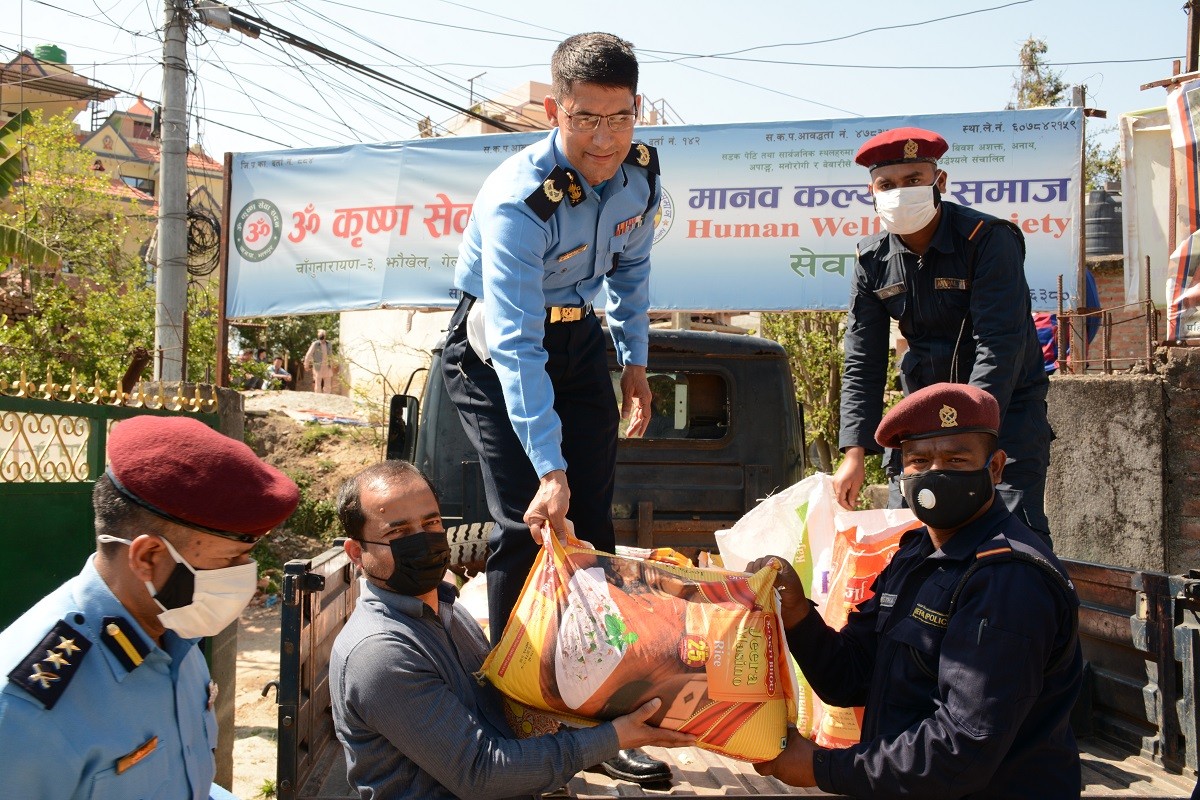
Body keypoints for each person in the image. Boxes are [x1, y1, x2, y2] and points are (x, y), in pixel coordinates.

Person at [441, 31, 667, 784]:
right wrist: (547, 466)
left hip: (579, 350)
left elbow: (630, 271)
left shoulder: (638, 177)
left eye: (620, 118)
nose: (604, 140)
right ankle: (516, 719)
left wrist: (634, 361)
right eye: (585, 119)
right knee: (528, 527)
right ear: (553, 109)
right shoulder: (517, 200)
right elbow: (513, 344)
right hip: (493, 355)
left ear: (639, 110)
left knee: (593, 531)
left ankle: (598, 719)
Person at [749, 383, 1082, 798]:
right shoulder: (916, 554)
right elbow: (849, 677)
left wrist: (822, 768)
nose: (934, 475)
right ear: (902, 471)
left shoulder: (1008, 578)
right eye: (919, 461)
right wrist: (796, 610)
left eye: (956, 460)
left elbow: (962, 749)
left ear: (995, 468)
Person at [328, 461, 694, 799]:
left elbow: (504, 708)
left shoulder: (448, 610)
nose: (423, 540)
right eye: (399, 532)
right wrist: (613, 738)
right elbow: (481, 771)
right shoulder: (380, 652)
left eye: (431, 523)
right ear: (356, 552)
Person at [0, 415, 300, 799]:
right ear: (148, 557)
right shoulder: (28, 707)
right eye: (229, 560)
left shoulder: (174, 633)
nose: (246, 577)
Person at [832, 127, 1055, 542]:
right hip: (923, 420)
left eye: (913, 180)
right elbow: (862, 359)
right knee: (912, 540)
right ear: (872, 192)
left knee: (1008, 538)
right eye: (887, 184)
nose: (900, 192)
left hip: (1003, 413)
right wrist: (855, 452)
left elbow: (1000, 343)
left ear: (940, 182)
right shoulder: (872, 259)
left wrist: (972, 433)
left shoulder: (988, 240)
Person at [304, 329, 335, 393]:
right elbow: (308, 354)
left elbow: (331, 355)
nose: (322, 336)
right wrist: (306, 364)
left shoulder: (329, 344)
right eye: (321, 335)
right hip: (318, 366)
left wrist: (332, 364)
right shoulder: (315, 344)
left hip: (327, 366)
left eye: (323, 335)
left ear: (325, 335)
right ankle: (318, 397)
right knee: (318, 384)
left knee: (328, 384)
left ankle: (327, 397)